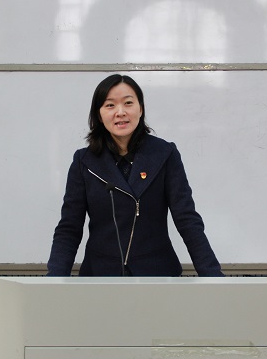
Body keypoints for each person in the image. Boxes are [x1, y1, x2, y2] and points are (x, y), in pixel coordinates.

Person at [47, 74, 223, 276]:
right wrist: (54, 279)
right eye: (110, 105)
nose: (120, 112)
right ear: (99, 114)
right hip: (100, 276)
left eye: (128, 103)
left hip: (157, 275)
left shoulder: (164, 154)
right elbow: (69, 228)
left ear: (141, 108)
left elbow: (187, 219)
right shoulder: (84, 161)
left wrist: (213, 276)